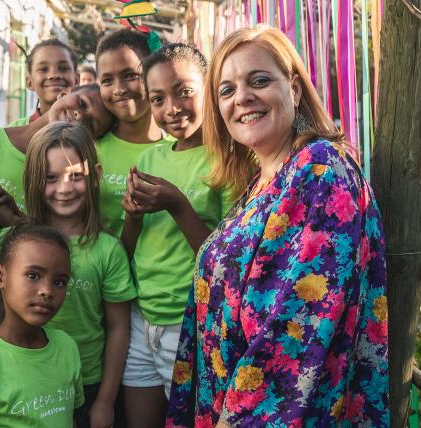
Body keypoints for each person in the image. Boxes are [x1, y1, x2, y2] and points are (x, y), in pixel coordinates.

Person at [166, 26, 388, 427]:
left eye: (259, 80)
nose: (243, 98)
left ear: (295, 89)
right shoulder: (262, 182)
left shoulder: (319, 170)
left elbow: (296, 328)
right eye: (227, 90)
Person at [120, 43, 233, 428]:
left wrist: (178, 205)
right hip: (141, 315)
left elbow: (225, 261)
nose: (172, 108)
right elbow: (128, 249)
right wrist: (132, 217)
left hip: (188, 322)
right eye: (157, 98)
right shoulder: (152, 158)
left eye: (184, 91)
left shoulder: (227, 159)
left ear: (210, 87)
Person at [24, 122, 137, 427]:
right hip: (25, 380)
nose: (64, 188)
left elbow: (117, 329)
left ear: (95, 175)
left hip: (88, 386)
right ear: (33, 179)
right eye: (51, 177)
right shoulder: (15, 244)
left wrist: (105, 401)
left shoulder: (107, 250)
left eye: (76, 176)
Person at [0, 222, 84, 427]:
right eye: (33, 276)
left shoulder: (67, 348)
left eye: (59, 282)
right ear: (0, 276)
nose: (46, 290)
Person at [0, 83, 115, 226]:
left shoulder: (68, 183)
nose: (80, 115)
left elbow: (55, 242)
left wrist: (14, 221)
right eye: (82, 103)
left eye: (91, 124)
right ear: (64, 93)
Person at [95, 29, 169, 236]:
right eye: (107, 81)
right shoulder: (89, 150)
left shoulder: (178, 148)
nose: (119, 89)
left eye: (130, 75)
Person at [7, 39, 78, 126]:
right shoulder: (13, 132)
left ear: (77, 79)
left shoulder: (92, 131)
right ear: (29, 82)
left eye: (63, 68)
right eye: (43, 69)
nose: (54, 75)